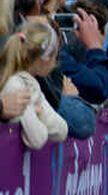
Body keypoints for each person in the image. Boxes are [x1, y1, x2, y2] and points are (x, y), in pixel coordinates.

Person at [0, 21, 68, 149]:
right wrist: (36, 114)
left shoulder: (31, 84)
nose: (56, 64)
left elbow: (62, 130)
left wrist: (38, 114)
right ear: (46, 58)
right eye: (55, 56)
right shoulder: (15, 87)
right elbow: (37, 139)